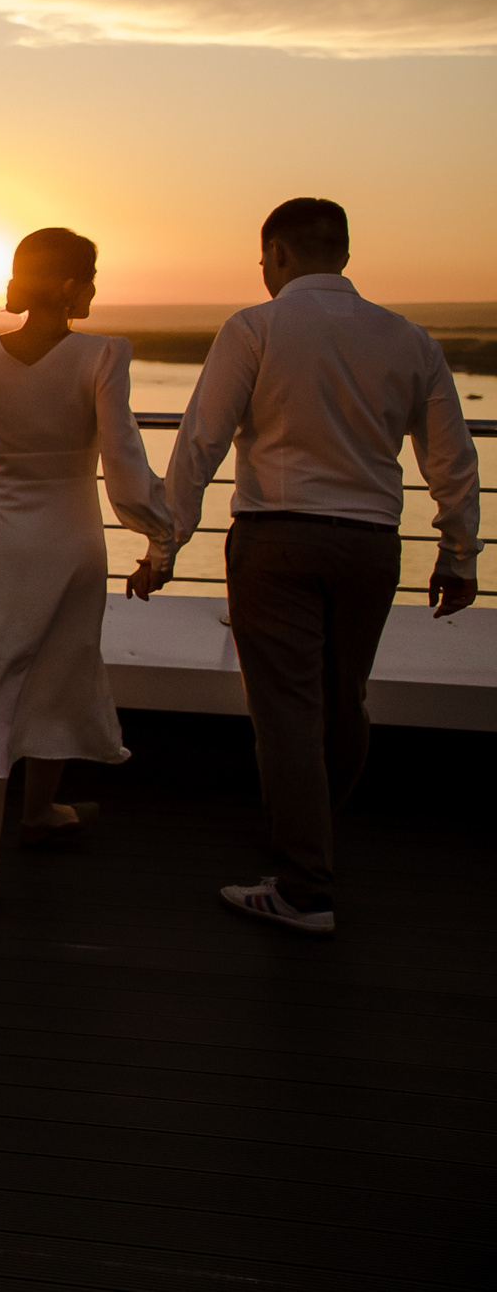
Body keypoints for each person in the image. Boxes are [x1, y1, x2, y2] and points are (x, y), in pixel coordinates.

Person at [148, 199, 479, 937]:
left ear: (277, 254)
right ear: (345, 254)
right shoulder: (410, 339)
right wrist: (458, 554)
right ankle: (311, 837)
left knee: (287, 712)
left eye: (264, 260)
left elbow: (200, 442)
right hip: (371, 546)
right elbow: (453, 458)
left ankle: (303, 888)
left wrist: (165, 545)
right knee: (343, 699)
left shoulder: (254, 328)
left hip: (276, 541)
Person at [0, 229, 174, 911]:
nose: (95, 289)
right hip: (72, 539)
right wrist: (158, 540)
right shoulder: (103, 356)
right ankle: (39, 813)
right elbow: (124, 461)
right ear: (70, 286)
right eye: (92, 277)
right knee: (60, 670)